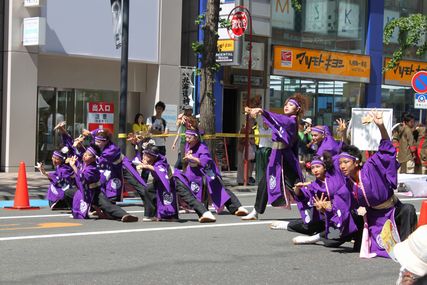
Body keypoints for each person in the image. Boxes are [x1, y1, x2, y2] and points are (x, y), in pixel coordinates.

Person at [338, 110, 417, 258]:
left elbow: (386, 150)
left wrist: (381, 126)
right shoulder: (346, 182)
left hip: (392, 208)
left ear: (357, 163)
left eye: (346, 162)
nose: (342, 166)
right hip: (372, 215)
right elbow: (341, 201)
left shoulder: (372, 167)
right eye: (340, 163)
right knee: (350, 224)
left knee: (408, 209)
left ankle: (407, 247)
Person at [271, 154, 361, 250]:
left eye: (318, 166)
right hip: (328, 215)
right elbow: (302, 196)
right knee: (314, 227)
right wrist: (297, 188)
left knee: (353, 221)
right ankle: (287, 225)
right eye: (313, 167)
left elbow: (338, 157)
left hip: (344, 210)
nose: (315, 170)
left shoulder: (336, 176)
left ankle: (315, 237)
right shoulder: (314, 185)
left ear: (325, 167)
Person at [242, 93, 307, 220]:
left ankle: (312, 207)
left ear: (297, 109)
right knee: (264, 183)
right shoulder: (284, 119)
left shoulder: (291, 120)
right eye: (286, 104)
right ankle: (256, 211)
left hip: (285, 158)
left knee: (295, 186)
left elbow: (277, 119)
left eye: (291, 105)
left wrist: (261, 111)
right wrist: (256, 112)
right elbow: (274, 120)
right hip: (276, 156)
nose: (287, 106)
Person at [183, 129, 249, 217]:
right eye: (186, 137)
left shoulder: (202, 147)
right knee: (184, 185)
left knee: (218, 188)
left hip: (206, 170)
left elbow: (205, 161)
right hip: (193, 171)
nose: (187, 140)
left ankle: (237, 208)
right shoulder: (188, 145)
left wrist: (193, 158)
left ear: (196, 138)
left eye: (189, 138)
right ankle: (192, 206)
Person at [69, 145, 138, 222]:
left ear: (94, 158)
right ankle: (95, 209)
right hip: (85, 191)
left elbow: (83, 178)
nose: (85, 156)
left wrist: (73, 167)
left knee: (107, 206)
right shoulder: (84, 163)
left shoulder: (92, 168)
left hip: (94, 192)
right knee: (68, 193)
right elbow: (77, 154)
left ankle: (124, 215)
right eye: (85, 153)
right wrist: (77, 146)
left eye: (89, 155)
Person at [137, 144, 178, 221]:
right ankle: (151, 215)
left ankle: (172, 215)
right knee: (148, 189)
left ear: (155, 156)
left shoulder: (161, 160)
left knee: (168, 198)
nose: (146, 157)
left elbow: (160, 170)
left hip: (167, 182)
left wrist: (148, 166)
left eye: (150, 156)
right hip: (157, 181)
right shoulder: (146, 158)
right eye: (146, 155)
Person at [172, 105, 197, 169]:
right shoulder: (182, 118)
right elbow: (177, 125)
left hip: (191, 142)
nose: (185, 111)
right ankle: (184, 172)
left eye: (187, 110)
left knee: (191, 158)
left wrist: (189, 122)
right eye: (185, 110)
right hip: (183, 141)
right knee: (183, 160)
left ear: (191, 111)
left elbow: (195, 127)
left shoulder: (193, 118)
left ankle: (190, 173)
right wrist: (181, 118)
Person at [237, 117, 256, 185]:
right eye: (251, 122)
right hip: (242, 149)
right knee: (241, 165)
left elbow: (253, 140)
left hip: (249, 149)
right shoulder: (243, 129)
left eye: (253, 122)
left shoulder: (252, 130)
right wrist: (247, 139)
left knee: (249, 166)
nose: (252, 124)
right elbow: (240, 140)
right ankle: (240, 180)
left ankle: (247, 180)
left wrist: (251, 140)